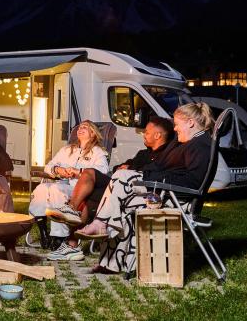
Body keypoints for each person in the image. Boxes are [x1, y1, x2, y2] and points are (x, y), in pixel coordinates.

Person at [76, 102, 214, 273]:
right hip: (162, 192)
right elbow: (159, 165)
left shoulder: (201, 145)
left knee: (121, 178)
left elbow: (193, 183)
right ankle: (111, 263)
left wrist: (150, 178)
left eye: (177, 124)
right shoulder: (181, 143)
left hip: (178, 200)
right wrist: (144, 174)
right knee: (120, 203)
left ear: (191, 123)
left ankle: (100, 223)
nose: (175, 129)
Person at [45, 117, 173, 261]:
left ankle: (71, 223)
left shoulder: (167, 155)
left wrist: (131, 168)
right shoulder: (143, 153)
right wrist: (124, 167)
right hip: (117, 187)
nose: (144, 134)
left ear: (158, 135)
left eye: (147, 132)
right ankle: (72, 245)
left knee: (89, 173)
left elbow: (153, 173)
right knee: (86, 190)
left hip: (135, 192)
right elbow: (119, 167)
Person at [29, 120, 109, 250]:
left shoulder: (98, 152)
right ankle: (43, 232)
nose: (80, 129)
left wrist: (78, 173)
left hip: (80, 189)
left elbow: (102, 171)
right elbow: (48, 166)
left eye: (85, 127)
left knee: (56, 190)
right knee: (41, 189)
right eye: (79, 127)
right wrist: (58, 170)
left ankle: (58, 236)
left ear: (93, 133)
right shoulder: (67, 150)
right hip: (63, 183)